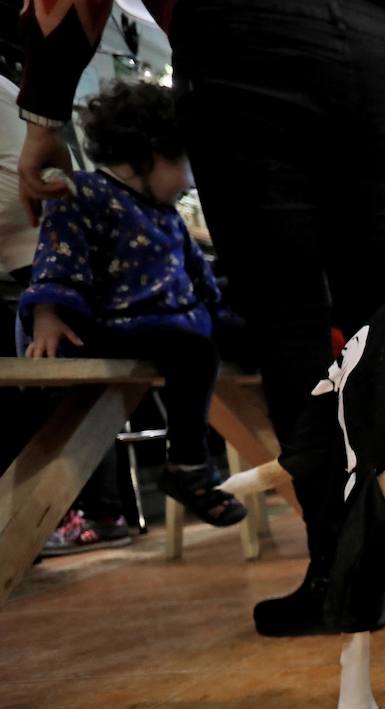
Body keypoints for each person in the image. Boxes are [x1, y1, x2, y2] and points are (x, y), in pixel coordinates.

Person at [15, 0, 385, 636]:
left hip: (245, 38)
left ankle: (344, 579)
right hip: (376, 45)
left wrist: (43, 115)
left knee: (290, 320)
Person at [18, 79, 247, 528]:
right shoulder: (81, 193)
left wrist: (227, 313)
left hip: (175, 322)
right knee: (194, 351)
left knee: (250, 337)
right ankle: (188, 466)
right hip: (117, 325)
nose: (188, 178)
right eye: (183, 163)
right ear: (149, 153)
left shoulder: (164, 212)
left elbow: (200, 276)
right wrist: (47, 315)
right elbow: (57, 255)